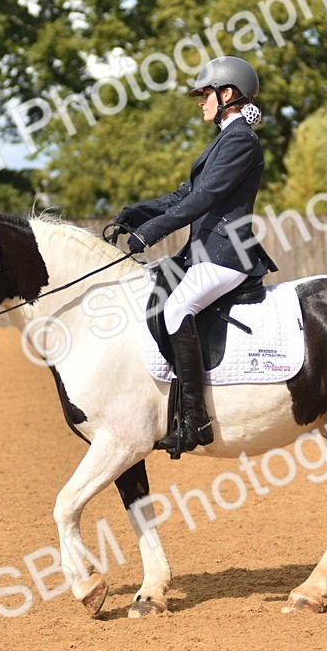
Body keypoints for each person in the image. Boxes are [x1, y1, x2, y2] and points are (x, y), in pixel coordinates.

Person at [113, 55, 278, 459]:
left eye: (205, 94)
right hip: (200, 254)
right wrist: (138, 212)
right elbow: (184, 196)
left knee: (176, 309)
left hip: (226, 254)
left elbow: (206, 199)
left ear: (227, 94)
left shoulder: (240, 141)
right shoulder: (222, 140)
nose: (201, 102)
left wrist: (150, 234)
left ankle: (194, 418)